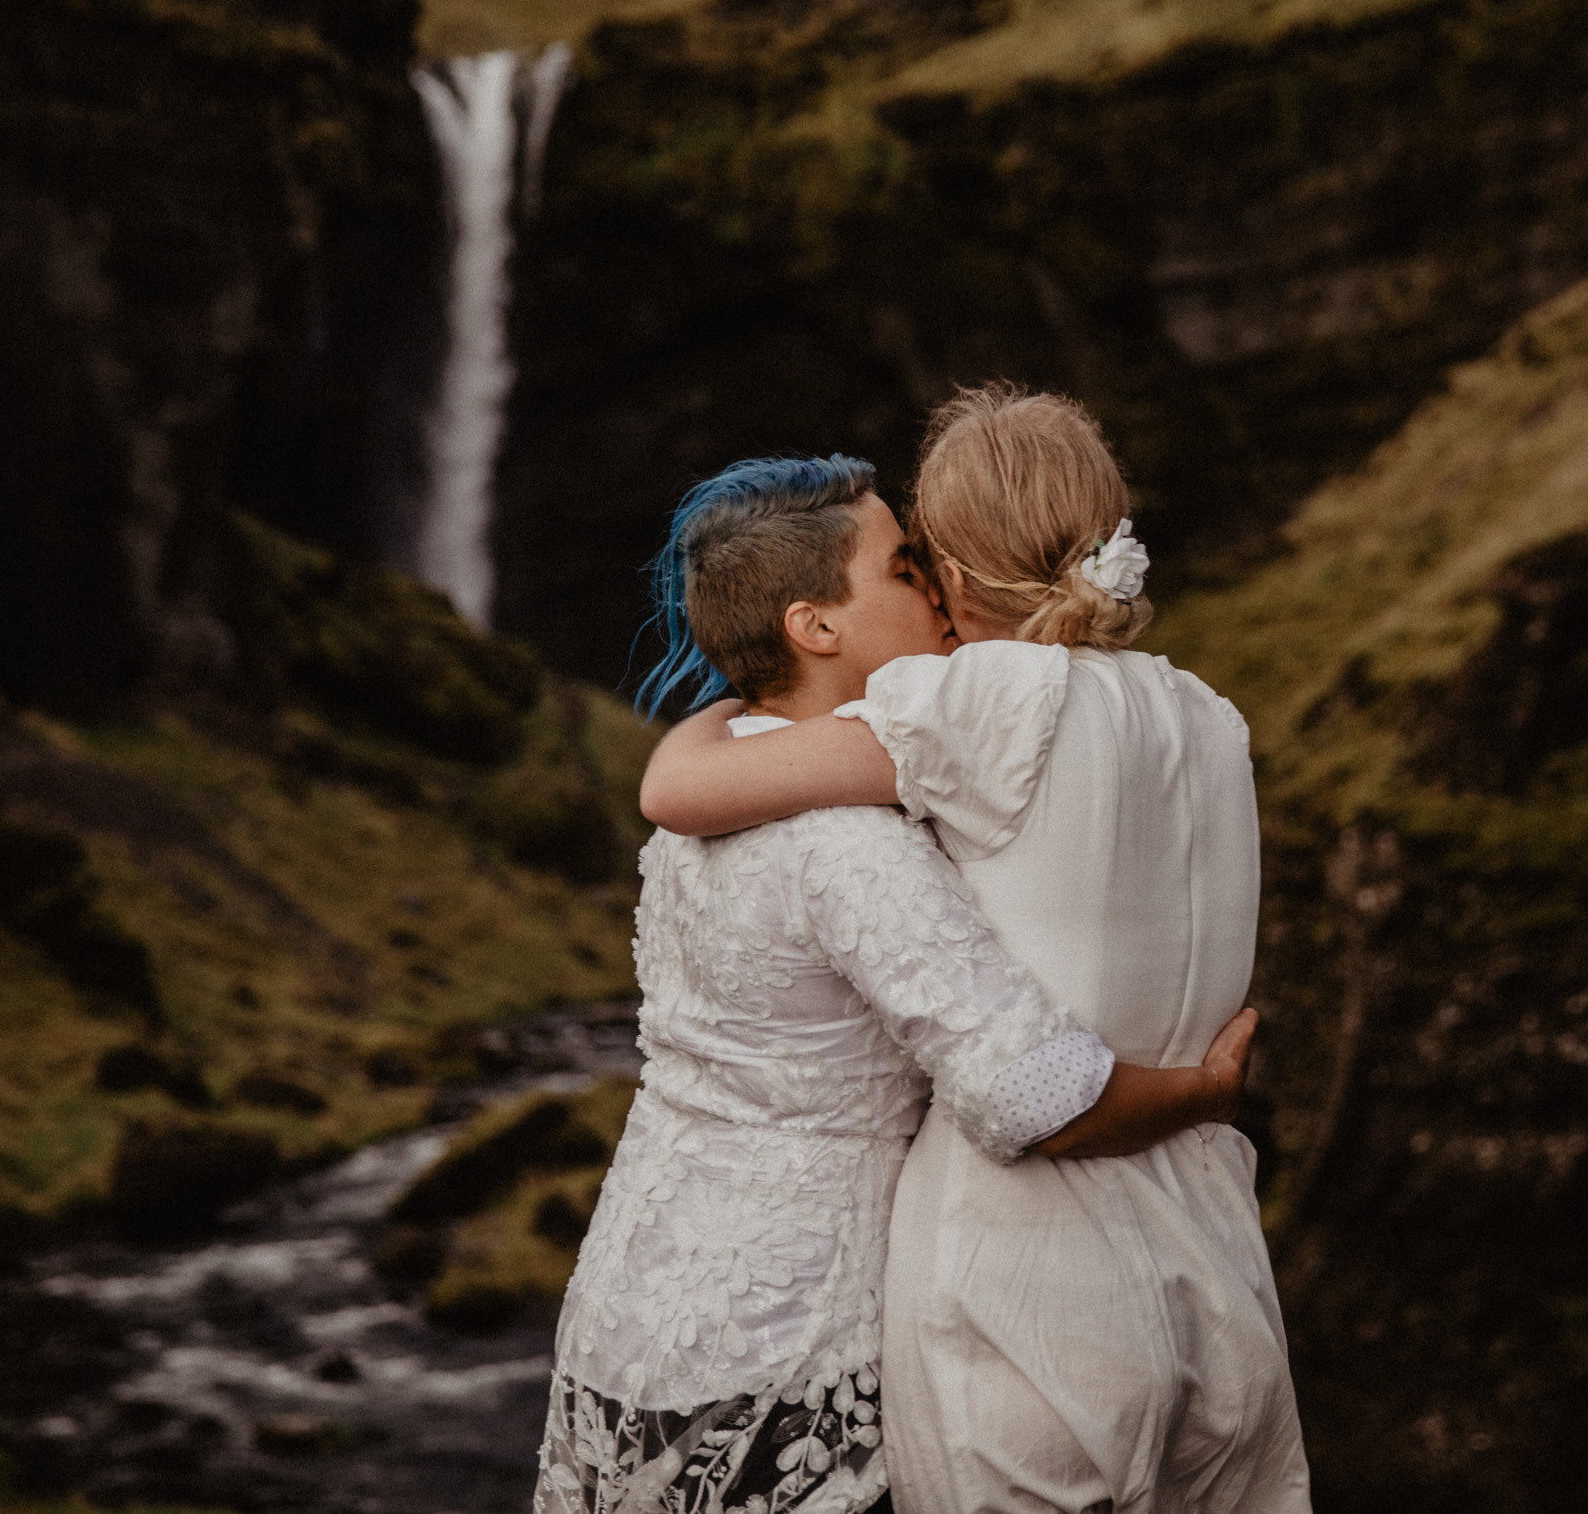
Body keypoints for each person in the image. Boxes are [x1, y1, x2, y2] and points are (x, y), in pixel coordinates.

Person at [535, 452, 1255, 1514]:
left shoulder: (721, 791)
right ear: (815, 626)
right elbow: (1033, 1096)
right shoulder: (850, 845)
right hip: (782, 1350)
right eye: (904, 567)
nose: (936, 587)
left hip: (628, 1316)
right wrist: (1200, 1094)